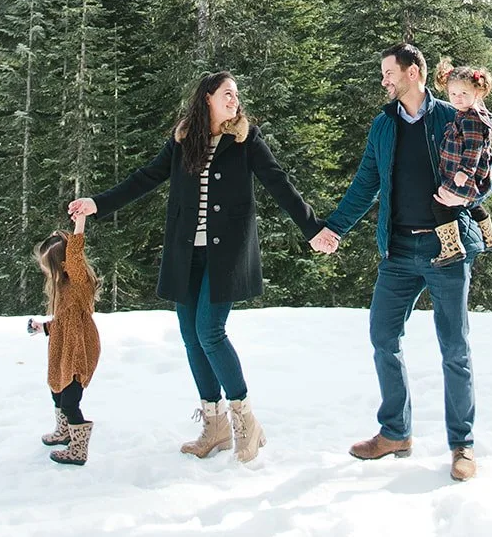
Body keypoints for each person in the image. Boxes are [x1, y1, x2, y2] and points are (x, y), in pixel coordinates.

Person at [68, 71, 325, 464]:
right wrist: (98, 204)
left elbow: (278, 182)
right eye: (226, 94)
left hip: (227, 253)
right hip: (186, 253)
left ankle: (245, 419)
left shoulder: (246, 139)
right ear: (207, 97)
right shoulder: (185, 139)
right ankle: (215, 424)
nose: (234, 100)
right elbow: (147, 177)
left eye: (236, 95)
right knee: (190, 336)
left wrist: (312, 228)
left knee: (210, 331)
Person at [309, 43, 492, 482]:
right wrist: (334, 228)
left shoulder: (453, 113)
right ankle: (395, 432)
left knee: (454, 348)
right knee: (382, 336)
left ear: (413, 72)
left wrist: (468, 194)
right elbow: (365, 185)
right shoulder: (383, 126)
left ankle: (462, 445)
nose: (384, 80)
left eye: (388, 72)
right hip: (397, 252)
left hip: (446, 248)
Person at [28, 209, 101, 466]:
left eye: (47, 267)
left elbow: (76, 257)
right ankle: (64, 432)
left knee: (70, 401)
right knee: (56, 391)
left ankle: (78, 449)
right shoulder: (63, 289)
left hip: (79, 351)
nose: (45, 272)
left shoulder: (79, 285)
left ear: (61, 265)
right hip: (63, 349)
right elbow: (63, 323)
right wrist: (43, 328)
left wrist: (80, 223)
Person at [429, 57, 492, 267]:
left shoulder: (471, 118)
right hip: (471, 177)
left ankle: (451, 248)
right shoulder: (465, 114)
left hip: (466, 176)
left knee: (440, 203)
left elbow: (474, 147)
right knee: (471, 206)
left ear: (477, 93)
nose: (458, 98)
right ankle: (489, 237)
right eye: (453, 94)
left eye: (464, 94)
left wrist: (464, 170)